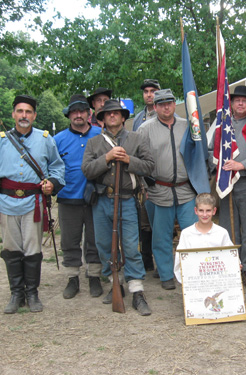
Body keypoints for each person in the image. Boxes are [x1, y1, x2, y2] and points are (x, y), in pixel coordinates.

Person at [0, 95, 65, 313]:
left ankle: (32, 293)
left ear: (34, 116)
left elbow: (58, 168)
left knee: (32, 250)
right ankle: (16, 294)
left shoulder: (46, 139)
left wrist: (51, 183)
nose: (24, 115)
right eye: (20, 111)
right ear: (13, 114)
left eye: (28, 112)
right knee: (11, 250)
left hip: (33, 203)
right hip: (7, 202)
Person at [82, 99, 154, 316]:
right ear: (102, 119)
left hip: (127, 199)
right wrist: (107, 158)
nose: (112, 116)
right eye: (107, 114)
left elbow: (150, 166)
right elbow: (86, 170)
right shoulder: (94, 143)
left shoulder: (136, 139)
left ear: (124, 117)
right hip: (103, 200)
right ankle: (116, 282)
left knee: (131, 247)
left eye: (116, 113)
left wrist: (128, 159)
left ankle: (137, 290)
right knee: (105, 245)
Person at [137, 89, 199, 291]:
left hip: (185, 189)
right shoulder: (145, 129)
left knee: (192, 233)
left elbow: (198, 153)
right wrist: (144, 185)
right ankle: (165, 274)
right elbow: (138, 160)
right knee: (161, 236)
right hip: (158, 190)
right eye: (161, 103)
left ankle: (192, 272)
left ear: (175, 104)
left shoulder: (187, 125)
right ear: (154, 107)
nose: (166, 107)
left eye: (169, 103)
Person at [54, 94, 103, 299]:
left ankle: (94, 277)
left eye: (82, 111)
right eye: (74, 111)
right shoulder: (58, 140)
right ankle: (72, 278)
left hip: (96, 198)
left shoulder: (101, 134)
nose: (78, 115)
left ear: (89, 113)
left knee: (95, 239)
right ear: (69, 115)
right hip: (68, 198)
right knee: (70, 240)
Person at [218, 85, 246, 290]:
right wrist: (219, 165)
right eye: (237, 100)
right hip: (226, 183)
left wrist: (243, 165)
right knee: (228, 227)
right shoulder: (221, 125)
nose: (241, 103)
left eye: (245, 100)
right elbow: (211, 150)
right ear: (231, 103)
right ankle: (231, 266)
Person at [125, 79, 161, 274]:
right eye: (146, 91)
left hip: (162, 176)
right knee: (144, 223)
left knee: (160, 224)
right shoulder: (138, 119)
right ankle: (147, 260)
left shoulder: (166, 113)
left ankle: (161, 262)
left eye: (153, 91)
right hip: (143, 179)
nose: (149, 94)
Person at [174, 193, 233, 283]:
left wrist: (235, 265)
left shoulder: (222, 232)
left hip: (218, 280)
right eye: (201, 210)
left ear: (214, 211)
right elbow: (180, 260)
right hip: (195, 280)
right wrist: (186, 281)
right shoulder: (186, 233)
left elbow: (231, 256)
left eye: (208, 210)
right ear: (195, 210)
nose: (204, 214)